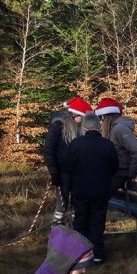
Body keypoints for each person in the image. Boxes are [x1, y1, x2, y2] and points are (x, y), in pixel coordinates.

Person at [64, 112, 119, 263]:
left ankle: (79, 254)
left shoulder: (76, 144)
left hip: (80, 189)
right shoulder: (107, 145)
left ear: (84, 127)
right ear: (99, 126)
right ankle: (97, 254)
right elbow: (115, 167)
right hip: (100, 189)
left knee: (80, 221)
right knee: (97, 222)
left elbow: (69, 166)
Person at [43, 96, 91, 224]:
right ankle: (57, 228)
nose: (83, 121)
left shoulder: (82, 129)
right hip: (62, 172)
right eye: (82, 117)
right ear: (74, 115)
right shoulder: (58, 127)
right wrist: (54, 173)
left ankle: (76, 229)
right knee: (62, 204)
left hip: (79, 173)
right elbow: (49, 151)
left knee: (78, 203)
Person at [94, 97, 137, 191]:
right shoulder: (113, 129)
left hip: (119, 173)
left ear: (107, 117)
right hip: (112, 172)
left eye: (101, 118)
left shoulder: (119, 129)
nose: (100, 122)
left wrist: (130, 174)